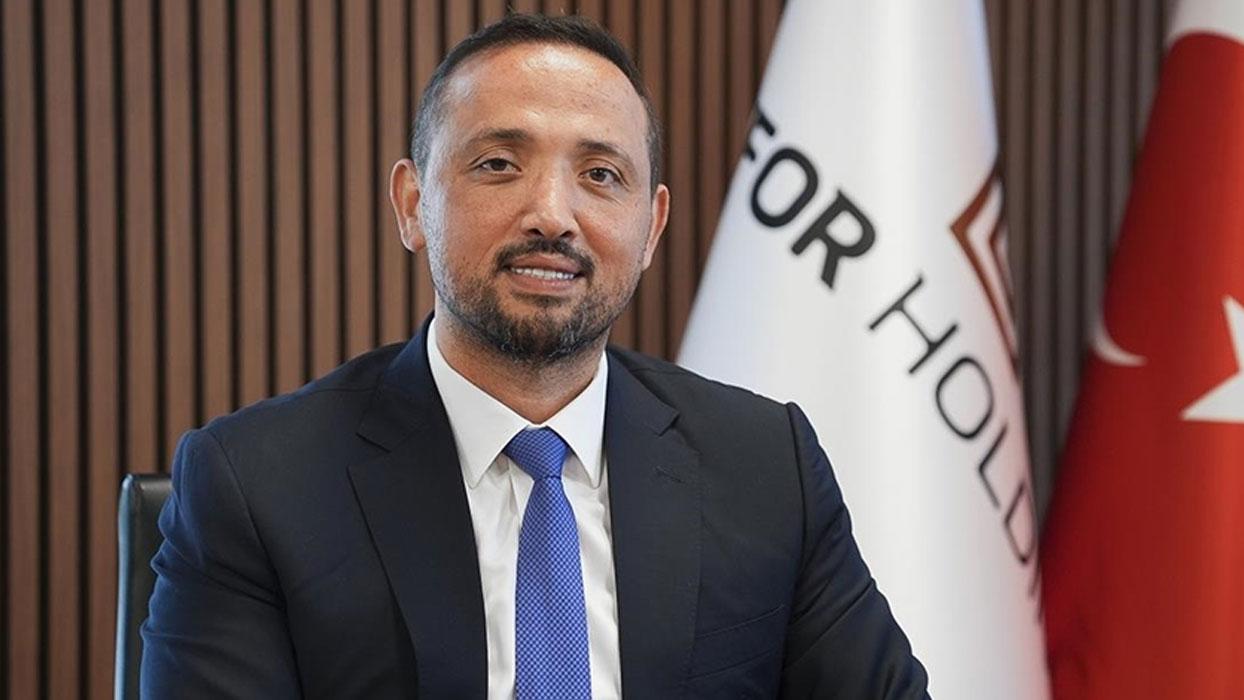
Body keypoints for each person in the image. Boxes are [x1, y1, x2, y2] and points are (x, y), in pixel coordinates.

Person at [140, 13, 928, 699]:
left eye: (600, 175)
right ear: (413, 204)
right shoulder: (253, 487)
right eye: (499, 164)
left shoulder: (766, 469)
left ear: (651, 228)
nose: (552, 215)